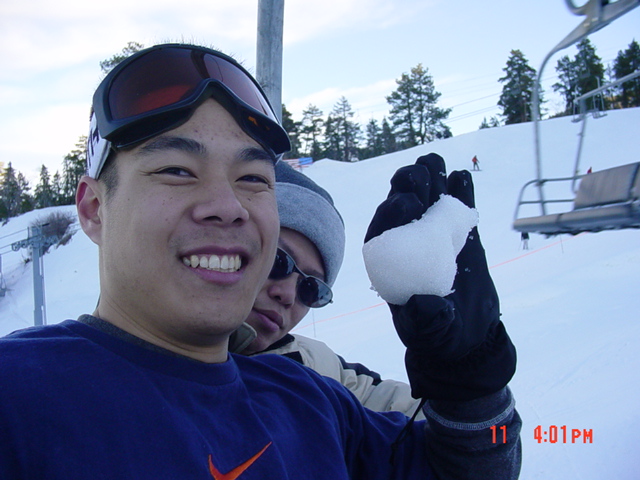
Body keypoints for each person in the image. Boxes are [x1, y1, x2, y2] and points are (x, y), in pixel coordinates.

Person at [0, 43, 521, 479]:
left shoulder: (315, 405)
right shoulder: (20, 395)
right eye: (177, 170)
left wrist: (473, 384)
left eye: (252, 179)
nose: (228, 206)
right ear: (94, 209)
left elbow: (478, 467)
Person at [231, 161, 424, 417]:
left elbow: (406, 413)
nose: (287, 295)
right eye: (279, 261)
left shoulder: (318, 369)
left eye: (311, 289)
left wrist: (465, 397)